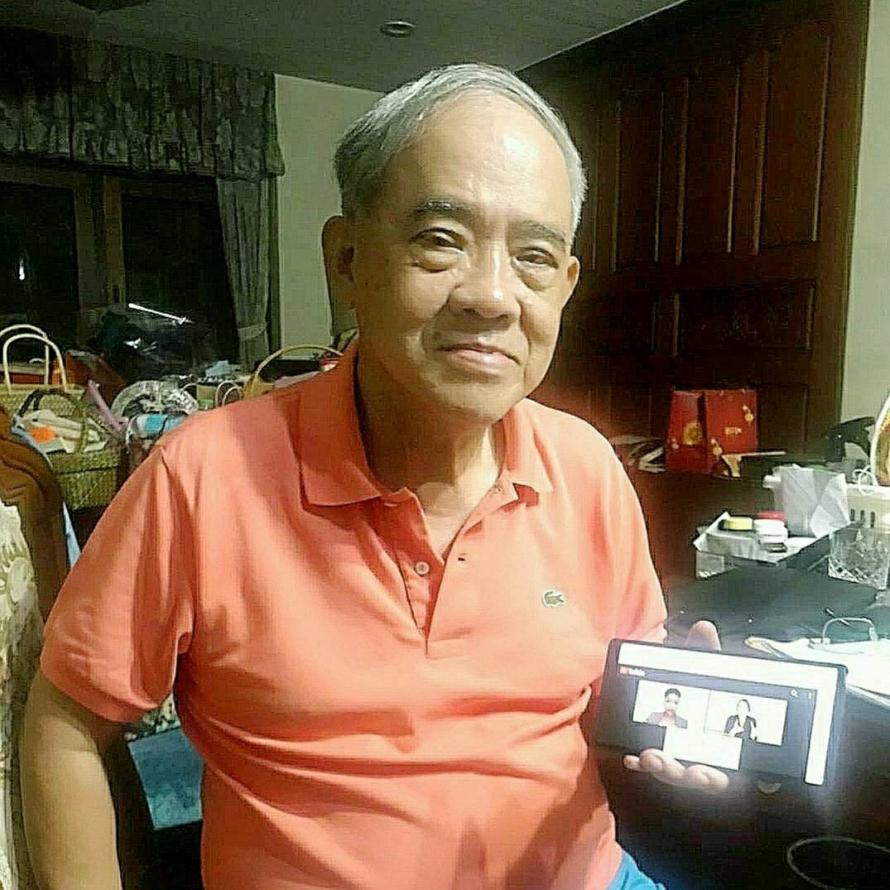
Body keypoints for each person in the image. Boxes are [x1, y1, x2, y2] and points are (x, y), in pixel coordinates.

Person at [20, 64, 727, 890]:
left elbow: (616, 694)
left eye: (534, 256)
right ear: (347, 260)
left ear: (564, 287)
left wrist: (690, 722)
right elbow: (66, 724)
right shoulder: (201, 476)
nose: (492, 296)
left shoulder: (587, 467)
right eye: (442, 239)